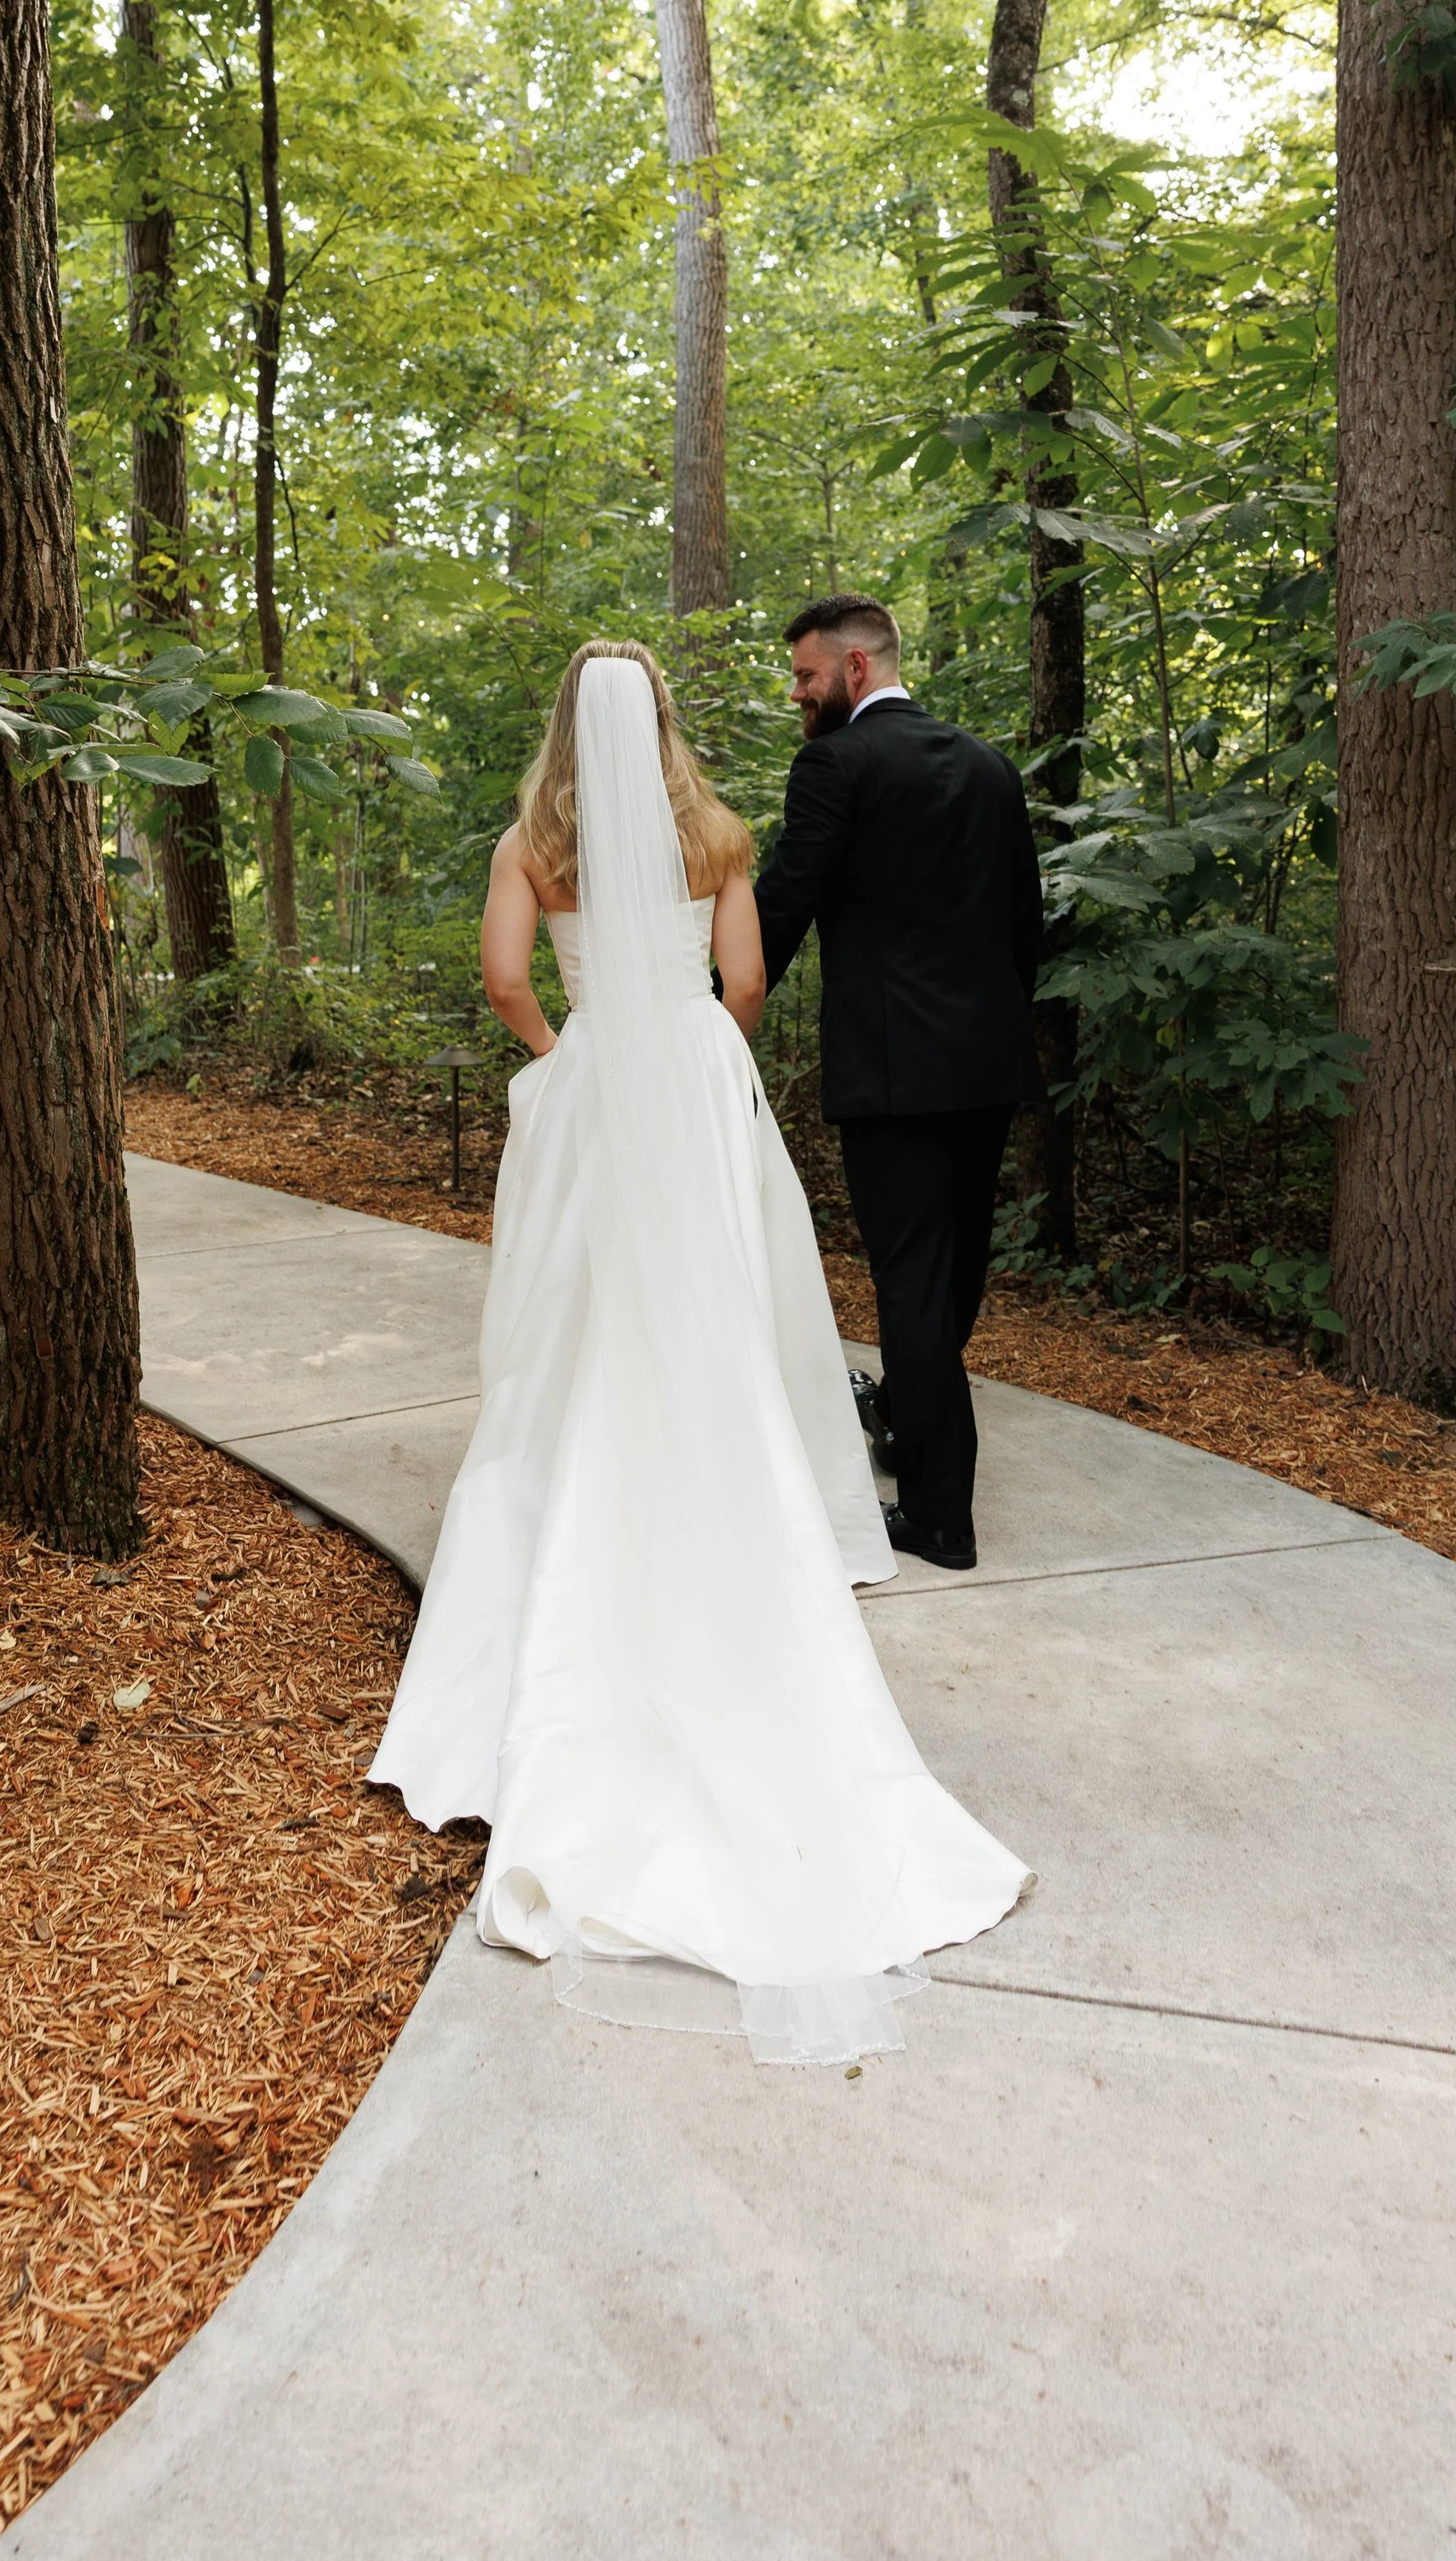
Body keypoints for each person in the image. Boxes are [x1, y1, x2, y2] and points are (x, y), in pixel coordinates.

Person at [370, 642, 1029, 2067]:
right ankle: (726, 1495)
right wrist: (689, 1058)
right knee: (724, 1313)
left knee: (573, 1330)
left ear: (561, 722)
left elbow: (500, 983)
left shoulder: (527, 845)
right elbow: (745, 987)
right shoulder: (720, 834)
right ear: (661, 720)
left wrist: (574, 1054)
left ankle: (571, 1534)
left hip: (597, 1081)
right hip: (689, 1079)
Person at [753, 595, 1045, 1573]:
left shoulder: (835, 764)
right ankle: (912, 1425)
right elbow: (1022, 925)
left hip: (893, 1072)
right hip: (986, 1064)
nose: (796, 693)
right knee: (951, 1276)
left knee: (911, 1283)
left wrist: (705, 1009)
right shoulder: (989, 767)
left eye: (803, 675)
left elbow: (783, 904)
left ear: (855, 670)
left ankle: (936, 1517)